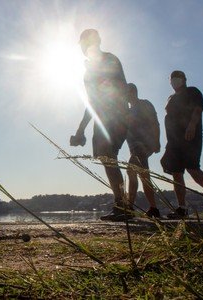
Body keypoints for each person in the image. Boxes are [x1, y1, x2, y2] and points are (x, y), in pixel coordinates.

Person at [70, 29, 130, 221]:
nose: (84, 48)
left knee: (109, 157)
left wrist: (120, 114)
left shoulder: (110, 60)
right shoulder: (88, 72)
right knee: (107, 159)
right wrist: (81, 129)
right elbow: (91, 102)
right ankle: (121, 203)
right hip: (102, 119)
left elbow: (120, 89)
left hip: (114, 116)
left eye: (86, 43)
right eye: (82, 45)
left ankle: (123, 205)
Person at [161, 70, 203, 218]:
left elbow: (198, 110)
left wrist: (192, 125)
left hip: (189, 136)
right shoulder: (170, 98)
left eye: (177, 77)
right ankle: (182, 208)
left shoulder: (193, 92)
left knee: (192, 168)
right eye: (172, 78)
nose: (174, 81)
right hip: (173, 141)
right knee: (176, 173)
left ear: (184, 79)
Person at [125, 83, 161, 218]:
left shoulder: (144, 104)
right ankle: (154, 208)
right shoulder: (128, 111)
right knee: (144, 175)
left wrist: (156, 141)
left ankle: (129, 208)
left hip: (143, 144)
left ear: (133, 92)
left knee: (131, 170)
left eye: (127, 93)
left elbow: (154, 122)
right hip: (133, 147)